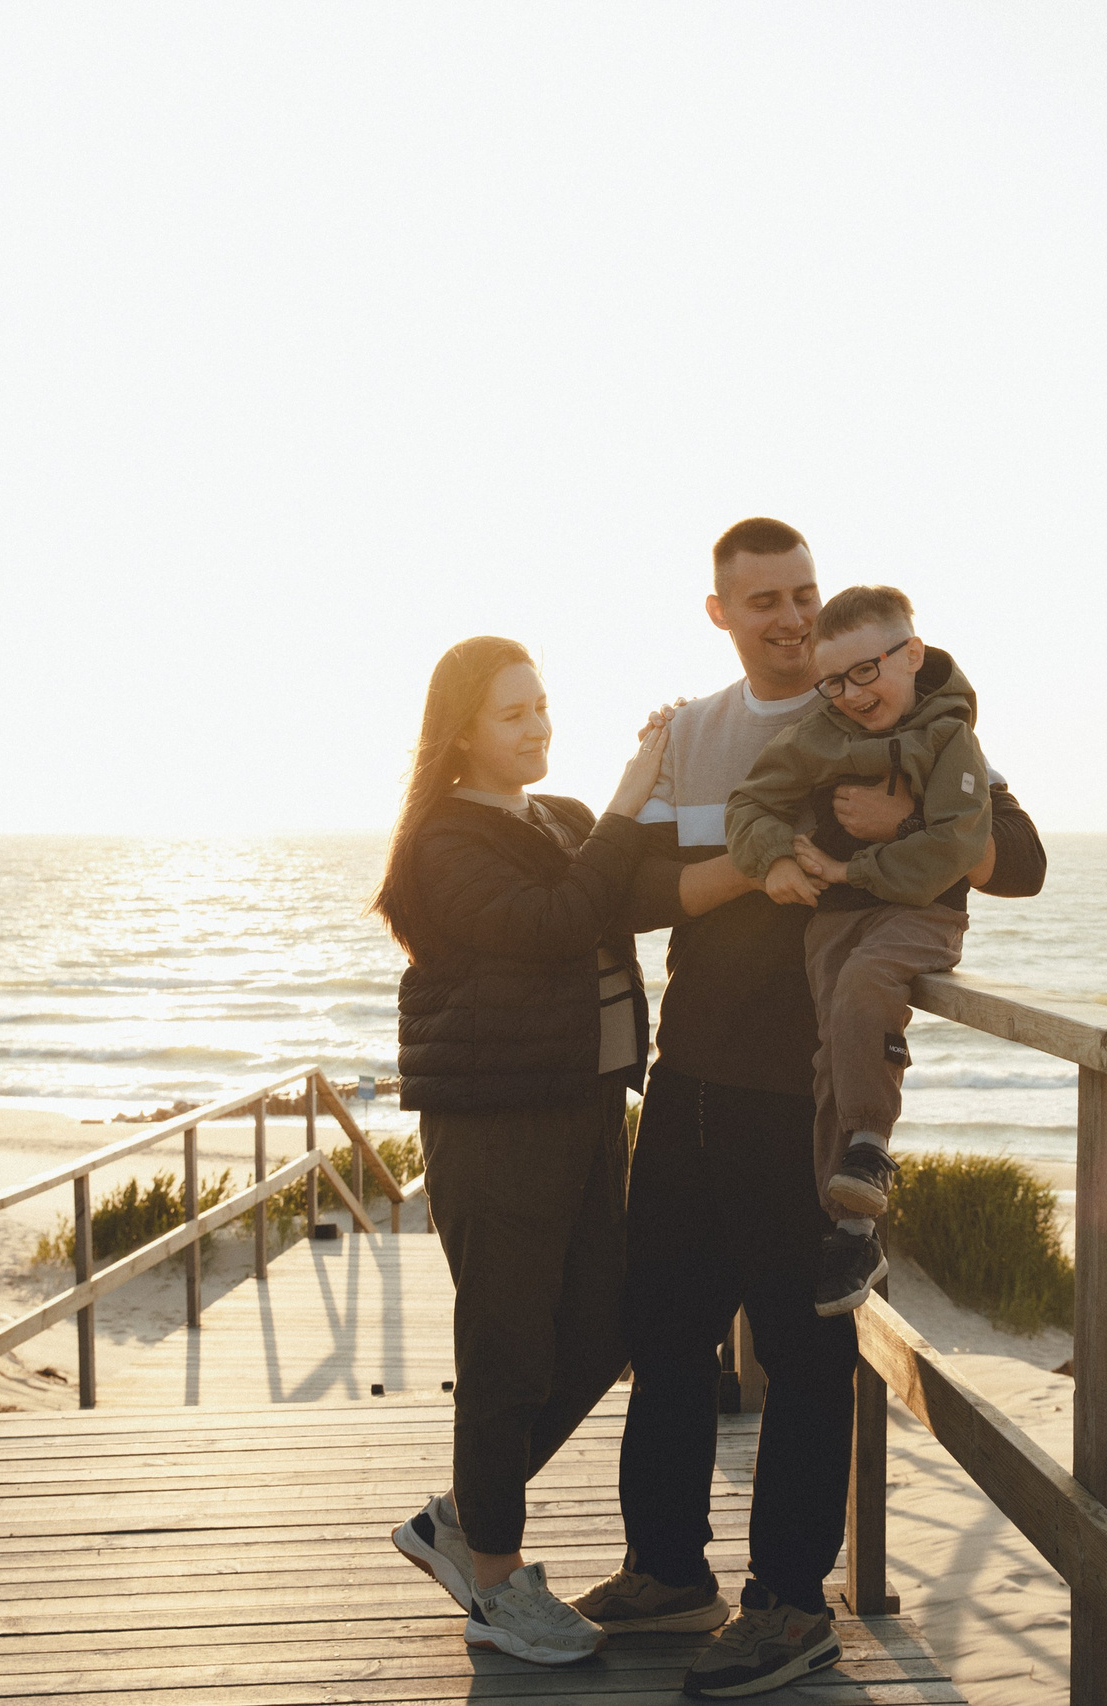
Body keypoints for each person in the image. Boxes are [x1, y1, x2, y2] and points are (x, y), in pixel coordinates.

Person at [570, 519, 1047, 1699]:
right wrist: (760, 858)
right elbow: (625, 888)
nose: (787, 617)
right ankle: (667, 1569)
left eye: (802, 594)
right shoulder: (693, 730)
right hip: (685, 1077)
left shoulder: (894, 708)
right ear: (719, 611)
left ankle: (789, 1604)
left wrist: (883, 826)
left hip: (801, 1090)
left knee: (802, 1347)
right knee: (664, 1329)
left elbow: (1020, 856)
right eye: (762, 599)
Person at [373, 635, 670, 1667]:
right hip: (495, 1120)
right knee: (506, 1344)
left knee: (601, 1324)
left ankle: (458, 1515)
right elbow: (553, 922)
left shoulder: (563, 819)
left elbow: (632, 892)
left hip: (587, 1107)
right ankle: (493, 1575)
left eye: (542, 705)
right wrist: (633, 799)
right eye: (513, 712)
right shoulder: (443, 842)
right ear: (462, 731)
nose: (538, 724)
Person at [724, 584, 991, 1316]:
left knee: (865, 988)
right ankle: (850, 1231)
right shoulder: (821, 733)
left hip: (919, 912)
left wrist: (854, 866)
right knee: (831, 1057)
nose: (850, 695)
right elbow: (749, 804)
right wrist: (774, 858)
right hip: (835, 919)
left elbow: (960, 846)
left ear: (911, 654)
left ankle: (871, 1147)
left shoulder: (951, 735)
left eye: (865, 673)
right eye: (833, 681)